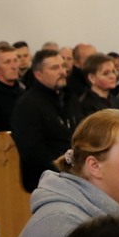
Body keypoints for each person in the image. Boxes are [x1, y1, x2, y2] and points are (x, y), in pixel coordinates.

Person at [10, 49, 76, 191]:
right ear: (38, 75)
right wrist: (69, 170)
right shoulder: (27, 105)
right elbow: (34, 153)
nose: (62, 71)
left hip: (74, 174)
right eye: (54, 68)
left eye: (63, 66)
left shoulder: (70, 98)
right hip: (47, 181)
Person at [71, 54, 119, 119]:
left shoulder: (117, 101)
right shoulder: (86, 105)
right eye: (106, 73)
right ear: (92, 78)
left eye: (114, 72)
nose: (113, 76)